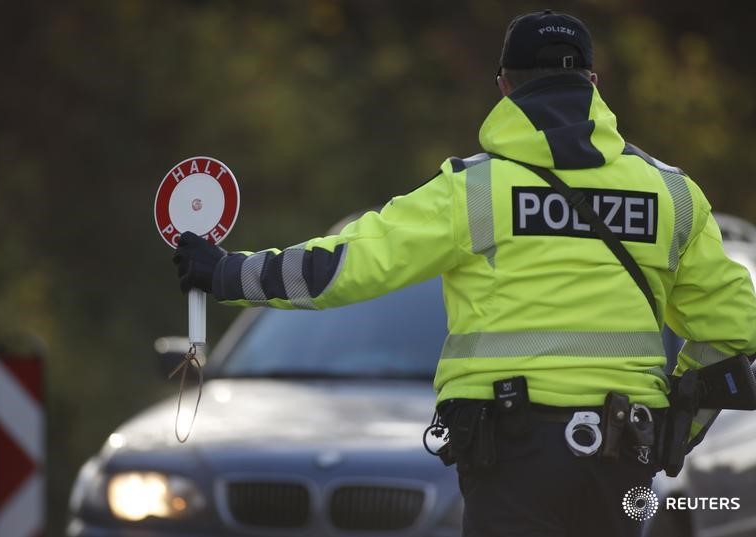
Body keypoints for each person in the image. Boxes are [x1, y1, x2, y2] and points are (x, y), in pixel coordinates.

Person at [172, 10, 756, 537]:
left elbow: (346, 267)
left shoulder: (474, 193)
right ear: (593, 85)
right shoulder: (671, 196)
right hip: (625, 457)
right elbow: (736, 330)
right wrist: (680, 427)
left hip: (512, 457)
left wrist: (228, 274)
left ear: (505, 86)